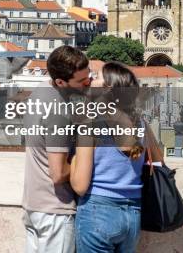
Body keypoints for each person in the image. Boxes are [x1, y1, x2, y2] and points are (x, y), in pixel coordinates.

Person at [69, 62, 163, 253]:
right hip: (132, 214)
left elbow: (80, 185)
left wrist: (73, 160)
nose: (90, 80)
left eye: (96, 77)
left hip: (98, 210)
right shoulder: (141, 124)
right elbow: (158, 160)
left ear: (108, 88)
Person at [22, 46, 92, 253]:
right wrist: (83, 161)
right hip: (55, 212)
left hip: (34, 205)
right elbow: (58, 172)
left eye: (88, 77)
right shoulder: (59, 111)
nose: (87, 83)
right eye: (81, 81)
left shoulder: (39, 93)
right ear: (61, 82)